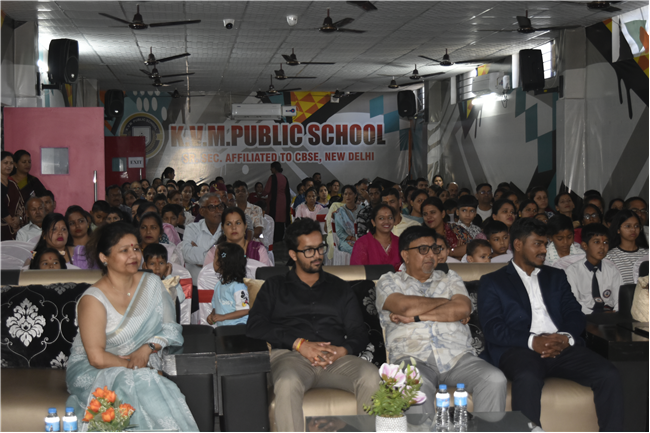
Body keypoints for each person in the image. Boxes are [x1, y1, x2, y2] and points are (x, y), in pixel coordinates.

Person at [478, 217, 623, 431]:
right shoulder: (493, 281)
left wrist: (566, 337)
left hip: (560, 345)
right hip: (519, 348)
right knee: (528, 377)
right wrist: (532, 341)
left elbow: (574, 313)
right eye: (537, 244)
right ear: (518, 244)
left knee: (609, 374)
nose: (544, 250)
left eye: (545, 244)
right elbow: (493, 328)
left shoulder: (556, 276)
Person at [246, 218, 378, 432]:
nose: (317, 255)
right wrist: (299, 344)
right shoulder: (275, 286)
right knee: (287, 382)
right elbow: (255, 325)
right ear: (293, 254)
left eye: (320, 248)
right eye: (309, 250)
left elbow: (359, 332)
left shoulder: (340, 288)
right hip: (291, 358)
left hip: (335, 358)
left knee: (371, 376)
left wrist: (342, 350)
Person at [66, 222, 198, 431]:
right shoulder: (93, 299)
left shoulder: (152, 283)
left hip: (143, 360)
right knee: (141, 380)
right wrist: (137, 367)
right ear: (104, 257)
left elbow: (171, 328)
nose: (134, 255)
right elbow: (96, 358)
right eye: (124, 250)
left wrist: (147, 348)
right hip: (95, 368)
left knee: (142, 380)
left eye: (136, 248)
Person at [375, 226, 507, 417]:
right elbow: (404, 307)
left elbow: (463, 308)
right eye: (423, 249)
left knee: (494, 379)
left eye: (434, 249)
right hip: (412, 358)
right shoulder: (389, 281)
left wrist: (416, 317)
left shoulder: (450, 278)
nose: (431, 255)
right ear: (405, 255)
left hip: (458, 357)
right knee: (415, 386)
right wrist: (446, 302)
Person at [565, 224, 621, 315]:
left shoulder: (612, 270)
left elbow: (619, 298)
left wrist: (615, 312)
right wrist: (594, 314)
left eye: (605, 242)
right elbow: (574, 300)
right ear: (584, 245)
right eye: (596, 242)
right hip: (585, 315)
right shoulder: (572, 271)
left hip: (609, 314)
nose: (602, 247)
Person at [180, 193, 224, 283]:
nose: (218, 211)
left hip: (221, 285)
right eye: (212, 207)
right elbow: (187, 254)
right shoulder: (192, 228)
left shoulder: (227, 229)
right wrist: (217, 259)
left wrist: (198, 254)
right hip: (196, 285)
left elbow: (230, 259)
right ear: (202, 211)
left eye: (220, 206)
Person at [206, 242, 250, 327]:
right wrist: (212, 315)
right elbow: (216, 306)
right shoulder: (218, 285)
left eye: (215, 257)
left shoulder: (238, 287)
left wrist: (224, 317)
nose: (213, 261)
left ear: (223, 263)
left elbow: (245, 310)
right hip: (224, 329)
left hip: (239, 329)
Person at [351, 204, 401, 271]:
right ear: (373, 222)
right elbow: (356, 272)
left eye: (390, 218)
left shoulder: (400, 242)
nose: (386, 221)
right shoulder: (362, 243)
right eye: (381, 218)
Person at [606, 210, 649, 284]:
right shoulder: (610, 257)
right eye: (628, 226)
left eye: (636, 226)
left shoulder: (647, 254)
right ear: (618, 230)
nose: (633, 230)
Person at [0, 151, 26, 241]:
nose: (9, 166)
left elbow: (21, 204)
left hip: (14, 229)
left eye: (11, 163)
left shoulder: (13, 184)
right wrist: (10, 221)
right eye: (5, 163)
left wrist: (18, 218)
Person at [263, 161, 291, 243]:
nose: (270, 170)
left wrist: (261, 194)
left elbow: (267, 190)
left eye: (271, 168)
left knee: (273, 219)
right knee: (281, 220)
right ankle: (280, 239)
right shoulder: (284, 178)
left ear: (274, 168)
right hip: (284, 201)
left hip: (275, 201)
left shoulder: (272, 177)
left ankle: (274, 240)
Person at [334, 185, 361, 254]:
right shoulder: (340, 212)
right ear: (343, 195)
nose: (347, 196)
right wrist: (354, 239)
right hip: (346, 240)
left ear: (355, 195)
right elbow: (340, 233)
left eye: (350, 194)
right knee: (355, 250)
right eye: (345, 194)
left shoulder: (362, 209)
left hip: (363, 238)